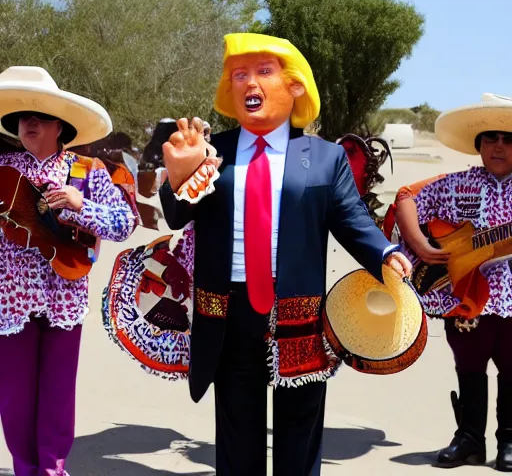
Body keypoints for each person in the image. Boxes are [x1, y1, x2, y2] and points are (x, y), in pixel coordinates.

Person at [158, 32, 412, 475]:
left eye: (263, 72)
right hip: (227, 310)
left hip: (300, 313)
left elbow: (351, 220)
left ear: (294, 86)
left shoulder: (325, 157)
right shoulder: (210, 151)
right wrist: (178, 177)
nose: (248, 83)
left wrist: (385, 252)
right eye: (239, 74)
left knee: (300, 428)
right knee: (237, 431)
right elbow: (177, 216)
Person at [0, 66, 138, 476]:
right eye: (24, 117)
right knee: (15, 398)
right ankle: (25, 469)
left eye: (40, 116)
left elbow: (124, 223)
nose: (30, 123)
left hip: (66, 297)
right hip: (10, 302)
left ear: (60, 125)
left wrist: (82, 206)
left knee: (58, 396)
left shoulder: (89, 170)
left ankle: (53, 471)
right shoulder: (3, 168)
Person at [395, 92, 512, 471]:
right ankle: (469, 439)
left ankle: (509, 440)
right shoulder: (455, 184)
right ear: (478, 144)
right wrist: (420, 245)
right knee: (470, 365)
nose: (499, 146)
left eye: (509, 140)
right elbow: (406, 197)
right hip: (462, 294)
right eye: (491, 138)